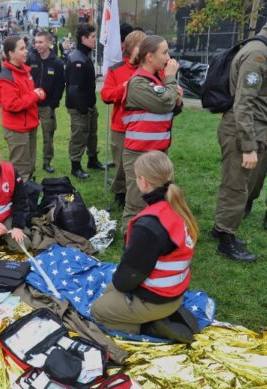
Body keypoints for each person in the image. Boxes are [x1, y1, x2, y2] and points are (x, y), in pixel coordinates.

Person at [91, 151, 198, 340]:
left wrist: (120, 284)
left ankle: (151, 327)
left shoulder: (149, 225)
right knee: (109, 291)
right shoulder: (175, 205)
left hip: (158, 299)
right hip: (175, 292)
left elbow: (127, 278)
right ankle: (163, 314)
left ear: (142, 181)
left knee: (98, 310)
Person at [211, 23, 267, 262]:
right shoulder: (258, 55)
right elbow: (243, 104)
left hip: (251, 127)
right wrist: (248, 145)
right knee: (236, 187)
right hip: (243, 129)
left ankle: (219, 228)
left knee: (234, 183)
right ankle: (226, 239)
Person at [121, 35, 183, 235]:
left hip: (157, 151)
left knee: (159, 198)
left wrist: (177, 99)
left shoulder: (155, 80)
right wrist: (171, 80)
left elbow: (168, 107)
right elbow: (164, 102)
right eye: (164, 52)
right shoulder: (138, 82)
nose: (168, 57)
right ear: (149, 57)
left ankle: (152, 236)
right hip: (138, 154)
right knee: (137, 200)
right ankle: (132, 241)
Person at [101, 30, 146, 208]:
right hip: (121, 127)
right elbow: (106, 95)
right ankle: (120, 191)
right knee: (121, 164)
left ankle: (138, 193)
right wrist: (124, 87)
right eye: (139, 46)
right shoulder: (116, 70)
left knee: (141, 164)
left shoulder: (150, 69)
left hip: (143, 126)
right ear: (129, 48)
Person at [0, 35, 46, 182]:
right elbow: (12, 105)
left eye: (25, 48)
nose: (26, 52)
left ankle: (29, 194)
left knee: (29, 165)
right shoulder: (6, 77)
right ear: (11, 53)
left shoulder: (24, 71)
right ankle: (21, 200)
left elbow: (27, 96)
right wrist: (35, 95)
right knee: (21, 170)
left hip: (29, 126)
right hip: (17, 130)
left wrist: (38, 93)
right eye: (22, 49)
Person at [65, 23, 104, 179]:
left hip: (88, 106)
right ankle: (75, 166)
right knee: (79, 136)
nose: (95, 40)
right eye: (93, 37)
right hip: (79, 108)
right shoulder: (77, 60)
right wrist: (83, 109)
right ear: (83, 38)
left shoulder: (84, 55)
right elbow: (73, 89)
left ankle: (92, 160)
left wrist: (90, 107)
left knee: (92, 134)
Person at [26, 31, 65, 174]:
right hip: (30, 104)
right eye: (36, 42)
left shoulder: (57, 63)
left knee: (48, 135)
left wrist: (53, 103)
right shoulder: (30, 59)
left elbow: (61, 85)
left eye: (41, 42)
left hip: (47, 106)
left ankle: (47, 161)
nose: (38, 45)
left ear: (49, 43)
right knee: (30, 134)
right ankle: (29, 163)